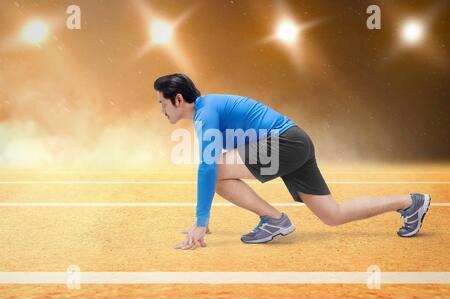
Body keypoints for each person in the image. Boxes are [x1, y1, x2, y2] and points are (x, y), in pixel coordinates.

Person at [153, 73, 432, 250]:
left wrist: (201, 221)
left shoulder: (205, 113)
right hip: (294, 142)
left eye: (162, 103)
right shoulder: (210, 111)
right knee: (332, 215)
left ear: (178, 99)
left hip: (285, 143)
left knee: (213, 171)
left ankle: (274, 219)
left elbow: (209, 167)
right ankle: (410, 203)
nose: (161, 110)